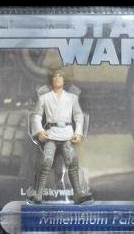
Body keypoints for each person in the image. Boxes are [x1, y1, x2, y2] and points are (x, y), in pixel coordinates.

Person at [28, 69, 92, 204]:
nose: (57, 78)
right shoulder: (44, 98)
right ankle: (38, 193)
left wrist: (78, 132)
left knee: (73, 161)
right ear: (51, 80)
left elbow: (78, 116)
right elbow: (36, 116)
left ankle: (78, 193)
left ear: (64, 80)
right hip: (51, 134)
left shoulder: (72, 98)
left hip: (67, 134)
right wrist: (40, 131)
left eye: (60, 76)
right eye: (55, 76)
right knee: (46, 161)